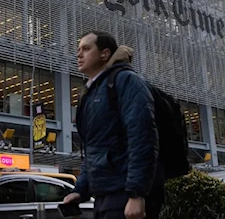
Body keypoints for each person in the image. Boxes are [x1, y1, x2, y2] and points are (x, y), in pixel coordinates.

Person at [63, 31, 161, 219]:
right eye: (78, 50)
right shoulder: (93, 91)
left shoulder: (126, 81)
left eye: (86, 48)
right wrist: (80, 190)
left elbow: (142, 137)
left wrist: (136, 193)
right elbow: (94, 149)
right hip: (103, 197)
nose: (79, 54)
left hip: (124, 196)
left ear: (105, 54)